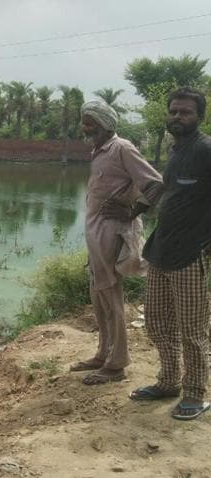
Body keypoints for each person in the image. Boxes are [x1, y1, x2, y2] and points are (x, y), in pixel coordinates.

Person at [130, 87, 211, 420]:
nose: (178, 117)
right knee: (158, 324)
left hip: (191, 255)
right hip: (161, 251)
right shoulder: (176, 150)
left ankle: (195, 393)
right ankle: (168, 382)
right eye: (174, 111)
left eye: (186, 112)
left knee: (192, 331)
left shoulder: (206, 150)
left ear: (199, 117)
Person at [70, 100, 162, 385]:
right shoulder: (99, 150)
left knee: (112, 298)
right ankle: (103, 354)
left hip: (113, 234)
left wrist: (131, 211)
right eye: (84, 122)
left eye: (91, 122)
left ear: (106, 123)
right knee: (99, 297)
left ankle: (117, 364)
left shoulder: (122, 148)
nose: (86, 128)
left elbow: (156, 183)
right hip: (97, 236)